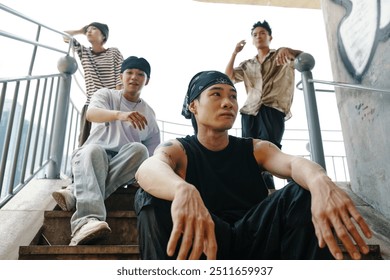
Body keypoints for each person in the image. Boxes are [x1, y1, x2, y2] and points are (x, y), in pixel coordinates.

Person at [134, 70, 372, 260]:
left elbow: (293, 164)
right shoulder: (180, 149)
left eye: (233, 96)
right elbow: (149, 169)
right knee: (150, 197)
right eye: (216, 94)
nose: (228, 103)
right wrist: (182, 189)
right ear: (193, 106)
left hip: (257, 238)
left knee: (303, 190)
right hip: (205, 242)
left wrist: (320, 181)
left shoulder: (256, 149)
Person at [52, 56, 160, 246]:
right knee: (95, 151)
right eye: (130, 72)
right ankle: (85, 222)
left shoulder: (149, 113)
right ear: (121, 76)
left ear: (147, 80)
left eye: (140, 74)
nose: (134, 77)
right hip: (90, 160)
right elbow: (91, 114)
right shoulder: (106, 95)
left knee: (140, 150)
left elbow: (153, 152)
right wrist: (120, 115)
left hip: (122, 166)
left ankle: (77, 193)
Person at [225, 20, 302, 189]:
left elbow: (303, 57)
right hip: (249, 111)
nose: (258, 36)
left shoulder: (280, 55)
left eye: (262, 33)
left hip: (272, 108)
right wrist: (234, 53)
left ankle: (293, 178)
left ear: (270, 37)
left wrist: (289, 50)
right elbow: (228, 77)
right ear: (252, 40)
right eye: (255, 35)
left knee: (270, 148)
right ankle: (261, 189)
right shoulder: (247, 64)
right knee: (249, 152)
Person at [64, 22, 124, 146]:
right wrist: (81, 30)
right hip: (91, 105)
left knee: (109, 145)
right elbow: (65, 35)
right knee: (84, 145)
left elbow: (120, 80)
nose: (89, 31)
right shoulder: (84, 52)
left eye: (94, 29)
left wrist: (117, 106)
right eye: (88, 30)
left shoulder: (114, 52)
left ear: (103, 36)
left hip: (110, 106)